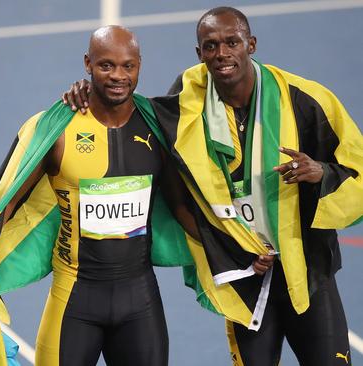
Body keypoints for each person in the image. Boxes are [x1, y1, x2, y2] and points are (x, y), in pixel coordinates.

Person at [63, 7, 363, 366]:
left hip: (308, 274)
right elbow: (136, 111)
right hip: (247, 275)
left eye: (232, 42)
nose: (222, 53)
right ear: (199, 53)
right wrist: (89, 91)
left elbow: (356, 170)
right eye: (210, 46)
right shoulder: (189, 100)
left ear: (251, 44)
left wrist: (321, 174)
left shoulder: (305, 100)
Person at [0, 26, 215, 366]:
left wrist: (232, 248)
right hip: (74, 299)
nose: (118, 76)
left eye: (128, 66)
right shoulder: (58, 129)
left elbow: (182, 206)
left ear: (140, 64)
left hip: (139, 300)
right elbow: (7, 197)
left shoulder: (157, 125)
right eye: (106, 65)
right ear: (87, 64)